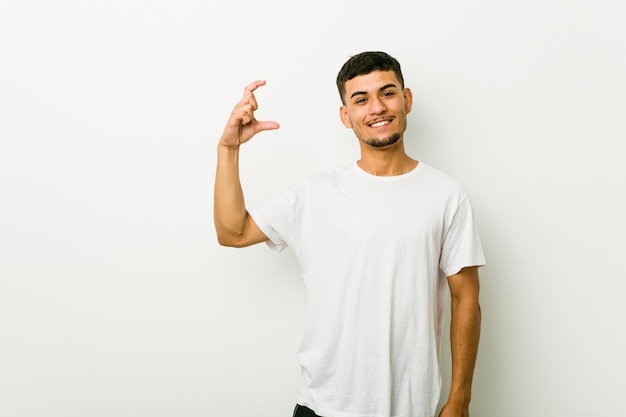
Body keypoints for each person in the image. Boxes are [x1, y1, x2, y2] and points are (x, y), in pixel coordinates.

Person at [214, 51, 486, 417]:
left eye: (387, 93)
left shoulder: (447, 194)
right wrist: (228, 148)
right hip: (324, 406)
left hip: (410, 408)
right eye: (361, 99)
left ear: (406, 100)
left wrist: (460, 399)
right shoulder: (314, 194)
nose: (376, 108)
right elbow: (232, 232)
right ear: (346, 116)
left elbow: (465, 299)